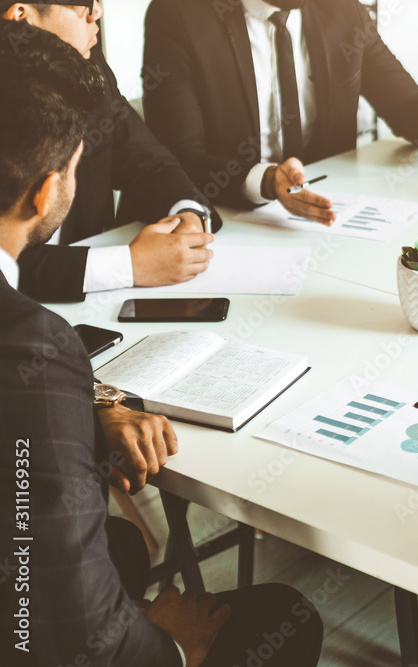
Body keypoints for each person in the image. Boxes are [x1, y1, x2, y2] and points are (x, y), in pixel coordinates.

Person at [0, 22, 323, 667]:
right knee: (289, 618)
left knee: (120, 545)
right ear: (44, 191)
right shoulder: (34, 345)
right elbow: (76, 632)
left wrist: (89, 406)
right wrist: (173, 643)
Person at [142, 0, 418, 223]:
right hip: (225, 216)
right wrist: (266, 181)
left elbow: (402, 103)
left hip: (323, 215)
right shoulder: (178, 14)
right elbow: (176, 154)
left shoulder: (342, 11)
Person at [2, 1, 221, 304]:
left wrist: (187, 213)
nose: (97, 13)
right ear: (21, 17)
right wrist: (127, 266)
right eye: (84, 5)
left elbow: (142, 156)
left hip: (97, 309)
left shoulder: (87, 60)